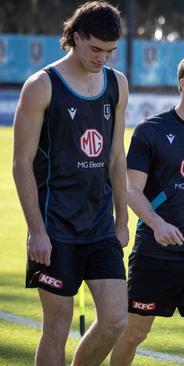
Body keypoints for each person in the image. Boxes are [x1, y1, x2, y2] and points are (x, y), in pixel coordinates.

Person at [12, 1, 129, 365]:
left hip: (99, 227)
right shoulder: (41, 85)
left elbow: (116, 157)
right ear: (75, 38)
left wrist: (122, 220)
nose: (102, 59)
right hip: (55, 225)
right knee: (57, 327)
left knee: (115, 320)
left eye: (110, 52)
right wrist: (36, 231)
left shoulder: (117, 84)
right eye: (95, 49)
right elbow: (21, 164)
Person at [109, 53, 184, 366]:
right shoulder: (151, 131)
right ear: (183, 85)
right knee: (134, 331)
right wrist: (158, 224)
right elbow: (129, 189)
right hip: (154, 255)